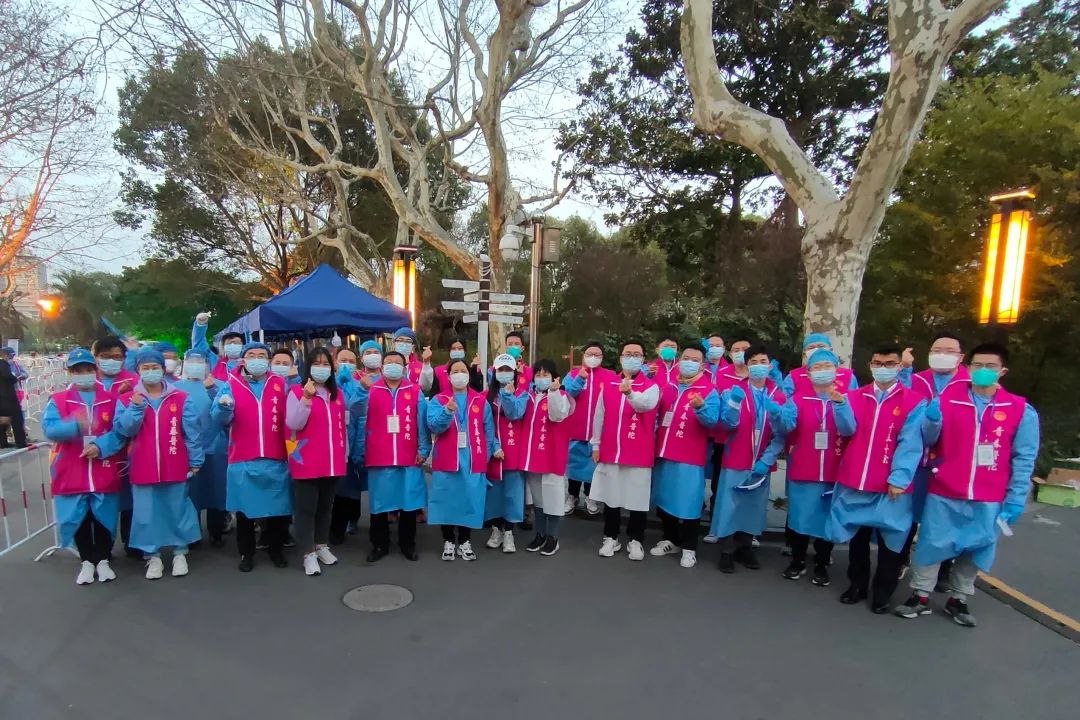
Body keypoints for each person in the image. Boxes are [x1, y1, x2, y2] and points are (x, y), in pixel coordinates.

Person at [894, 343, 1039, 627]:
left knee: (978, 547)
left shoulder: (1020, 409)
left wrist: (1015, 498)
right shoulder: (947, 401)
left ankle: (958, 597)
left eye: (990, 366)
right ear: (968, 368)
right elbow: (929, 440)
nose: (983, 370)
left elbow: (1024, 457)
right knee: (932, 543)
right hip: (946, 487)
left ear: (1002, 371)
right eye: (978, 365)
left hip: (990, 493)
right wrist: (932, 422)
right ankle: (920, 595)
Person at [825, 346, 926, 613]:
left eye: (889, 363)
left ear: (899, 367)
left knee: (891, 540)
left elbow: (910, 443)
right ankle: (857, 585)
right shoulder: (855, 396)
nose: (883, 368)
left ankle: (883, 591)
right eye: (878, 363)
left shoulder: (913, 401)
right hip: (856, 479)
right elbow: (847, 430)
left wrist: (899, 478)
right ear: (870, 365)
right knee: (857, 538)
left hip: (890, 484)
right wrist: (839, 405)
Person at [114, 348, 204, 580]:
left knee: (177, 508)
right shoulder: (127, 399)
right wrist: (135, 407)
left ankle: (180, 552)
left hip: (175, 463)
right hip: (142, 465)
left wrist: (196, 460)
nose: (151, 371)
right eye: (146, 368)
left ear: (163, 370)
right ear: (138, 371)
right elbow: (124, 430)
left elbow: (192, 432)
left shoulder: (180, 397)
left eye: (155, 367)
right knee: (145, 513)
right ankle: (152, 556)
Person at [42, 348, 128, 585]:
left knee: (104, 517)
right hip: (72, 468)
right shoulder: (58, 400)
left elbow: (120, 432)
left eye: (88, 369)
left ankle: (103, 560)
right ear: (70, 372)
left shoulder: (111, 399)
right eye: (78, 370)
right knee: (78, 518)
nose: (83, 374)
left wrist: (101, 446)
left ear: (95, 370)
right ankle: (87, 562)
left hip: (103, 466)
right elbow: (50, 429)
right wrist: (75, 425)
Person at [211, 342, 293, 572]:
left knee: (278, 509)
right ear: (243, 359)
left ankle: (276, 549)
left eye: (261, 355)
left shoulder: (279, 383)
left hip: (276, 455)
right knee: (245, 511)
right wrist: (224, 408)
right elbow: (218, 418)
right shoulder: (231, 384)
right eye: (251, 355)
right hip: (243, 457)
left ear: (268, 360)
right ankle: (246, 553)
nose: (257, 359)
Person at [778, 348, 856, 586]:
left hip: (834, 469)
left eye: (827, 366)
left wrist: (840, 404)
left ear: (836, 370)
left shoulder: (846, 398)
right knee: (800, 517)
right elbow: (787, 429)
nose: (822, 371)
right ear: (809, 372)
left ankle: (821, 563)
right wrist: (780, 416)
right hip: (804, 467)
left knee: (826, 519)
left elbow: (849, 429)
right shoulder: (798, 398)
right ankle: (798, 560)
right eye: (817, 367)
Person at [896, 332, 971, 575]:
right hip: (917, 460)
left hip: (952, 461)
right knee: (909, 512)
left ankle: (944, 568)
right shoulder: (918, 380)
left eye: (949, 351)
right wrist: (904, 370)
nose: (942, 355)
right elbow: (899, 400)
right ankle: (901, 559)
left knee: (946, 516)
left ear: (961, 357)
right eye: (937, 350)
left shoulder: (971, 383)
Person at [710, 345, 788, 572]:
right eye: (753, 362)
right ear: (746, 365)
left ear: (770, 365)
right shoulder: (735, 391)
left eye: (763, 361)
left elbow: (782, 433)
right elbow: (727, 425)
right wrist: (733, 406)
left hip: (761, 460)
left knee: (754, 505)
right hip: (736, 455)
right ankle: (726, 550)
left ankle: (745, 548)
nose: (758, 366)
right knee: (730, 504)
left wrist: (767, 459)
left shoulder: (778, 395)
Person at [286, 346, 356, 576]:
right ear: (308, 367)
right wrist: (306, 398)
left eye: (326, 364)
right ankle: (308, 554)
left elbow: (342, 426)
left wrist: (344, 454)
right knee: (306, 509)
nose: (321, 368)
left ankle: (321, 545)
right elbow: (293, 423)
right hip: (306, 460)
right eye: (316, 364)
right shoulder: (296, 391)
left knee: (326, 507)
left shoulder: (337, 395)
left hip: (333, 460)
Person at [588, 341, 660, 561]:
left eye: (637, 354)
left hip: (638, 452)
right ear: (620, 358)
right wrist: (596, 444)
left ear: (643, 359)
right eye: (628, 354)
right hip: (612, 449)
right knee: (612, 496)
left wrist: (629, 393)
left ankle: (636, 539)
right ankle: (611, 536)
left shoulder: (651, 386)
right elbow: (599, 415)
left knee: (637, 498)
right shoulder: (609, 384)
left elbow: (644, 405)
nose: (632, 358)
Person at [651, 345, 721, 568]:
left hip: (689, 457)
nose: (689, 362)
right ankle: (671, 539)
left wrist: (701, 408)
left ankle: (690, 548)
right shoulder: (669, 387)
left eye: (695, 359)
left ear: (702, 365)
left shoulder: (709, 390)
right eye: (686, 358)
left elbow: (713, 421)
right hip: (664, 453)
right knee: (665, 498)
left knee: (689, 502)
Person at [426, 359, 502, 561]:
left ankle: (465, 540)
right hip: (447, 459)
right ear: (448, 376)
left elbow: (488, 431)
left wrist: (485, 456)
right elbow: (433, 426)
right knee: (447, 500)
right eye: (455, 371)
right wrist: (447, 412)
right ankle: (449, 540)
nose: (459, 374)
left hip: (473, 459)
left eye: (463, 371)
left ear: (469, 375)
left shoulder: (480, 400)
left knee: (470, 499)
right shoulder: (439, 400)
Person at [360, 350, 430, 562]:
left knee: (409, 502)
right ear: (382, 367)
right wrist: (361, 450)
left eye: (397, 362)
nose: (392, 365)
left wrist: (424, 450)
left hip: (408, 456)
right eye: (388, 361)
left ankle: (407, 544)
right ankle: (379, 544)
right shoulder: (371, 390)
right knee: (379, 504)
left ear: (404, 367)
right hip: (379, 456)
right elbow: (358, 418)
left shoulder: (414, 390)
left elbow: (422, 423)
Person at [502, 359, 573, 556]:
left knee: (553, 498)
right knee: (538, 499)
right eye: (538, 375)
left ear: (555, 377)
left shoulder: (561, 396)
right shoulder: (528, 396)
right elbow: (514, 414)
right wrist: (508, 396)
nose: (541, 378)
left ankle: (553, 537)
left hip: (552, 456)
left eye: (546, 375)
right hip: (532, 457)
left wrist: (554, 392)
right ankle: (540, 534)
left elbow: (557, 415)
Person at [175, 348, 231, 547]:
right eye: (192, 361)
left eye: (201, 362)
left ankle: (217, 531)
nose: (197, 365)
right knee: (191, 492)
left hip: (216, 447)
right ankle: (192, 533)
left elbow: (228, 416)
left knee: (217, 490)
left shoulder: (221, 386)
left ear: (209, 364)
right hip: (186, 448)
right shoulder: (175, 389)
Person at [93, 336, 140, 558]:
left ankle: (132, 542)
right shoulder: (86, 381)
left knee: (130, 498)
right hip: (96, 450)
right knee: (102, 500)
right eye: (106, 356)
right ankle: (104, 547)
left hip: (129, 450)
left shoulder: (134, 381)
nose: (111, 361)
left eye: (117, 357)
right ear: (96, 358)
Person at [561, 340, 614, 516]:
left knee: (594, 469)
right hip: (575, 431)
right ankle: (573, 496)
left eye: (597, 355)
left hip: (598, 434)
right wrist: (580, 379)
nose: (593, 357)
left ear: (602, 357)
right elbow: (566, 395)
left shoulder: (609, 376)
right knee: (574, 468)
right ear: (583, 356)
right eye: (590, 354)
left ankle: (592, 497)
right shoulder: (573, 374)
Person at [329, 344, 374, 545]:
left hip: (353, 443)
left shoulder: (360, 385)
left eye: (351, 361)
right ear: (335, 363)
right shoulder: (328, 385)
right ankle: (333, 529)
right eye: (343, 361)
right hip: (331, 444)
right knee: (335, 490)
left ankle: (349, 522)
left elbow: (362, 417)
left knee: (350, 488)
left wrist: (360, 448)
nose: (347, 364)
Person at [484, 354, 528, 553]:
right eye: (500, 370)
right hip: (493, 451)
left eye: (508, 370)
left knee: (513, 493)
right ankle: (496, 530)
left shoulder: (522, 394)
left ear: (515, 372)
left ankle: (509, 532)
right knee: (494, 494)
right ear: (494, 372)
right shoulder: (487, 396)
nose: (504, 373)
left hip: (514, 450)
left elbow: (514, 413)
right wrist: (494, 446)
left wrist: (508, 396)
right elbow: (485, 424)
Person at [782, 333, 860, 397]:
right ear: (805, 353)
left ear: (831, 350)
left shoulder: (848, 376)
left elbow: (855, 403)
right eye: (811, 347)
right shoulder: (794, 377)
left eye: (821, 346)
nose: (817, 350)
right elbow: (783, 401)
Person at [0, 350, 27, 448]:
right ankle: (21, 442)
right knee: (17, 419)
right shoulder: (3, 364)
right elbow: (8, 377)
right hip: (8, 397)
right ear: (5, 355)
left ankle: (2, 442)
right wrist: (16, 378)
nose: (11, 358)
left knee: (2, 420)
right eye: (10, 356)